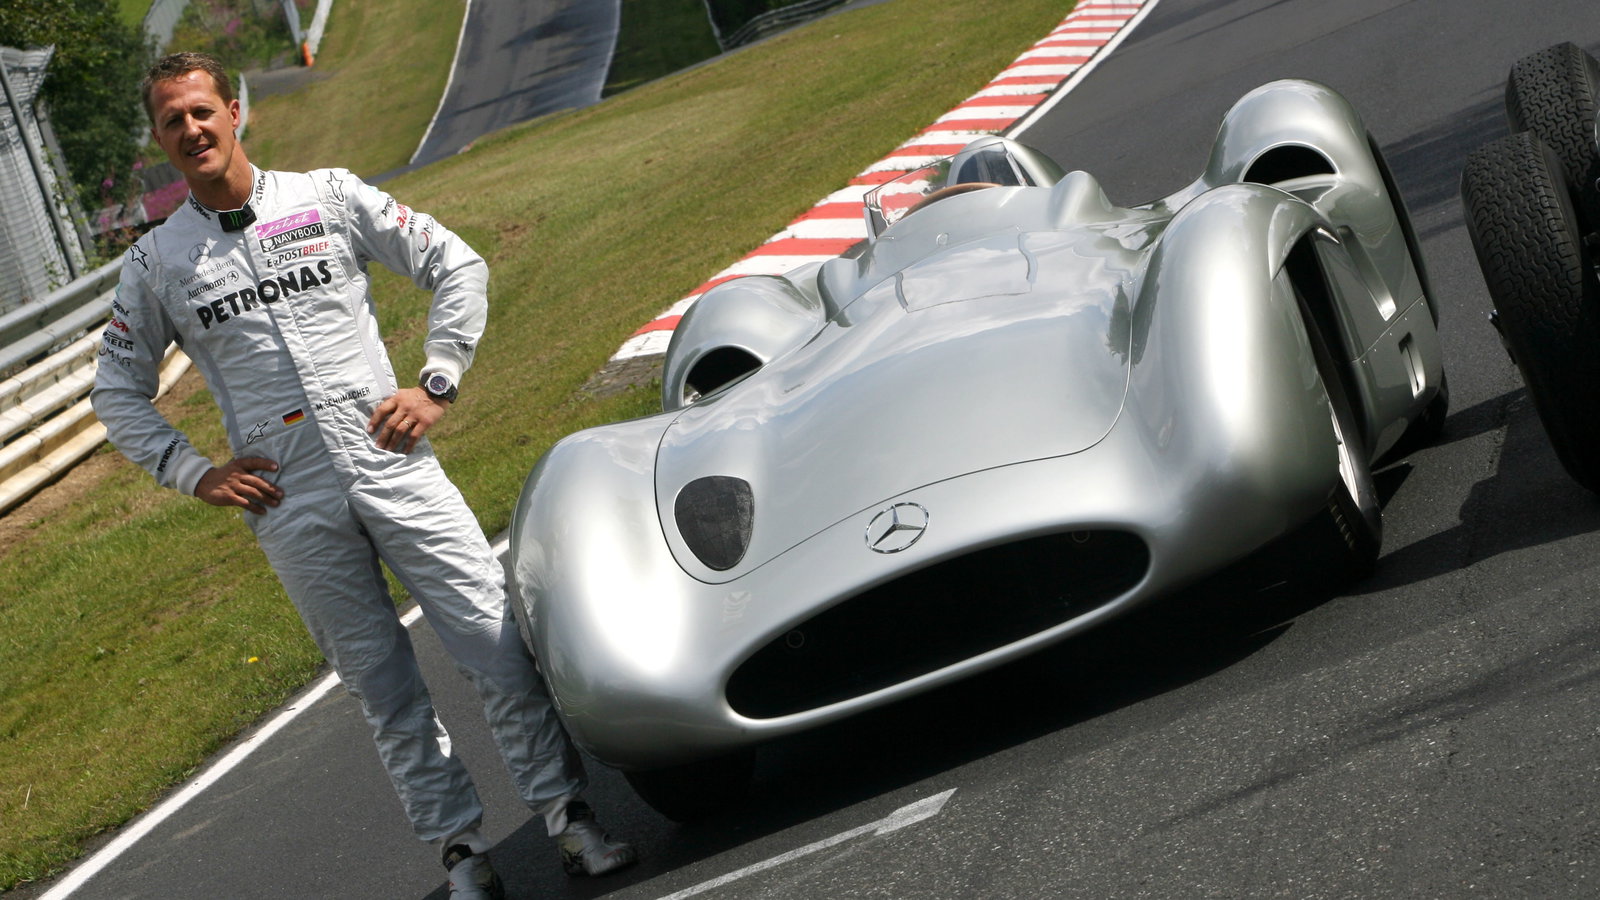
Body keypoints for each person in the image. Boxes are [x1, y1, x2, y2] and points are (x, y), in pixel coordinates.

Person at [91, 51, 636, 899]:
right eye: (173, 121)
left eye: (204, 111)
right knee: (384, 691)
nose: (193, 129)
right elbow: (116, 392)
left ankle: (570, 817)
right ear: (161, 140)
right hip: (289, 500)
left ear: (238, 112)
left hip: (393, 461)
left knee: (495, 644)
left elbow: (457, 264)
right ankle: (462, 855)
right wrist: (192, 471)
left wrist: (438, 381)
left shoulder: (329, 195)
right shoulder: (157, 261)